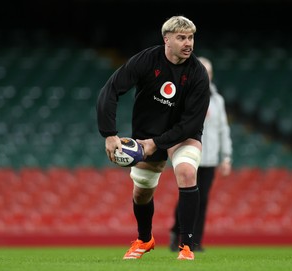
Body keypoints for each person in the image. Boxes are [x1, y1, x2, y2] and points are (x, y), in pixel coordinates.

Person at [96, 15, 210, 260]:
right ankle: (145, 239)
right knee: (142, 192)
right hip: (148, 133)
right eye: (181, 38)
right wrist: (109, 134)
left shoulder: (198, 74)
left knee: (187, 172)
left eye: (190, 37)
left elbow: (191, 123)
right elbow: (111, 89)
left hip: (183, 134)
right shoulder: (147, 60)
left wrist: (156, 144)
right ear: (166, 39)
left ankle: (186, 245)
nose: (188, 43)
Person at [169, 56, 233, 252]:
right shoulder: (182, 97)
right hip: (188, 154)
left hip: (209, 157)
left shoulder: (217, 101)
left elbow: (223, 129)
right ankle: (177, 233)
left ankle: (195, 241)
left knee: (202, 198)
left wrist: (226, 156)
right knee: (186, 197)